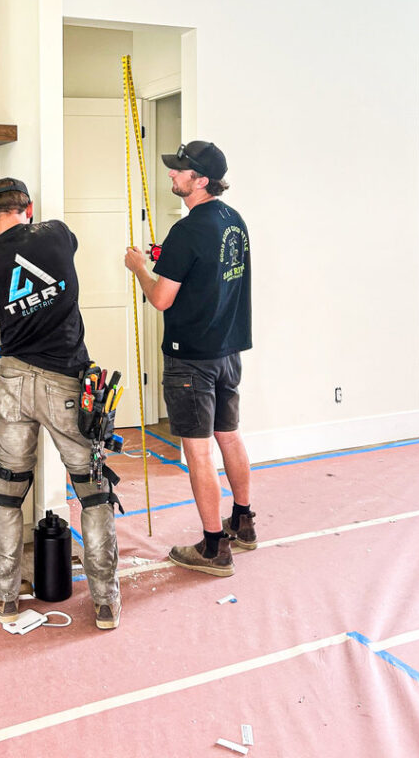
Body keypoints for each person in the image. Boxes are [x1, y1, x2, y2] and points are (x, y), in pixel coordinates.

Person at [0, 178, 121, 629]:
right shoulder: (55, 234)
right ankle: (106, 602)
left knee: (7, 491)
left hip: (14, 381)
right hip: (66, 384)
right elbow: (56, 250)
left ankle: (4, 596)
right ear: (29, 208)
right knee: (93, 491)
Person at [124, 140, 254, 577]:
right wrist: (166, 258)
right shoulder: (233, 221)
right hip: (228, 351)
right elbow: (208, 269)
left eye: (180, 170)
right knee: (229, 436)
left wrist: (140, 268)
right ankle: (243, 522)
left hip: (191, 358)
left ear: (201, 181)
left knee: (197, 451)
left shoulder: (187, 230)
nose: (171, 174)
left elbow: (161, 298)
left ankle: (214, 548)